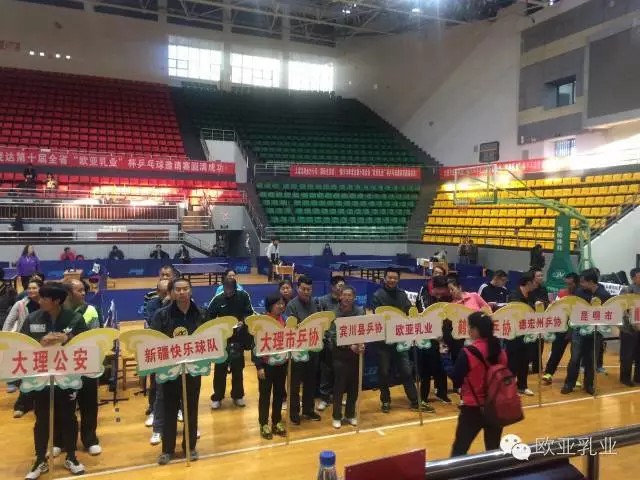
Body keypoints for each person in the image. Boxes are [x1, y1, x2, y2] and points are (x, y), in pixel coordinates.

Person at [21, 283, 88, 479]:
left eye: (44, 298)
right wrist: (39, 343)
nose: (39, 300)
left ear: (56, 301)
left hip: (66, 376)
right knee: (42, 418)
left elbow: (85, 343)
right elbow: (23, 343)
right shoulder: (32, 318)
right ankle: (40, 460)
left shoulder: (74, 318)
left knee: (68, 417)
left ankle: (72, 457)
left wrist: (68, 338)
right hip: (42, 377)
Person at [150, 278, 204, 465]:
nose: (181, 292)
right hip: (170, 371)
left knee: (191, 409)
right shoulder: (161, 315)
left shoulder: (200, 314)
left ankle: (190, 447)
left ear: (191, 291)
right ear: (172, 292)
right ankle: (167, 449)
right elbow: (154, 341)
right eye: (178, 289)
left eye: (185, 289)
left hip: (192, 370)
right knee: (169, 409)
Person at [443, 311, 508, 456]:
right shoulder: (500, 351)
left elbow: (456, 378)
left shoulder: (468, 353)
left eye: (470, 327)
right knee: (493, 450)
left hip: (473, 409)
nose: (468, 330)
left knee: (459, 451)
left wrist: (445, 358)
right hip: (495, 407)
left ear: (476, 330)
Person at [371, 267, 420, 413]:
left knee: (406, 371)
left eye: (395, 278)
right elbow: (378, 318)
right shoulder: (377, 295)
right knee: (384, 373)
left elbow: (408, 312)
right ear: (384, 278)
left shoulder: (402, 294)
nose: (392, 280)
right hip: (384, 342)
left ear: (398, 279)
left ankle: (414, 400)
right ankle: (385, 400)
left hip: (400, 340)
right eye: (390, 277)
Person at [63, 279, 102, 455]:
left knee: (89, 404)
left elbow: (96, 336)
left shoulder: (91, 310)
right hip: (64, 365)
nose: (84, 293)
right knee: (65, 406)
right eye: (79, 290)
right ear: (68, 294)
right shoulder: (58, 313)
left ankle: (90, 439)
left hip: (86, 363)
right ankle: (63, 441)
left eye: (83, 290)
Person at [561, 269, 611, 395]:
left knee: (591, 360)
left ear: (591, 282)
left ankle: (589, 385)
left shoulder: (604, 295)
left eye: (583, 282)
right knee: (575, 358)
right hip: (579, 330)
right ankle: (569, 384)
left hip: (595, 332)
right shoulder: (579, 292)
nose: (581, 284)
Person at [207, 277, 254, 409]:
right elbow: (209, 317)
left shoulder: (243, 296)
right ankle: (217, 397)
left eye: (231, 290)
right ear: (223, 287)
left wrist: (242, 322)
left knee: (238, 368)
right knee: (220, 369)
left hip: (238, 337)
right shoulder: (218, 299)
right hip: (222, 339)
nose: (228, 292)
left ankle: (238, 395)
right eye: (226, 289)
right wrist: (218, 326)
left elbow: (249, 312)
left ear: (235, 288)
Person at [142, 266, 176, 427]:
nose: (165, 277)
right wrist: (164, 305)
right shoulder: (151, 300)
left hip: (175, 346)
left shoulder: (178, 297)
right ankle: (153, 409)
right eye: (162, 274)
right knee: (156, 381)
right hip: (157, 346)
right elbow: (150, 321)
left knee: (177, 379)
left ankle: (178, 409)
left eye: (168, 275)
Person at [285, 275, 321, 424]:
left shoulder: (316, 303)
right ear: (297, 288)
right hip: (297, 352)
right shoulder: (291, 306)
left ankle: (308, 409)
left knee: (310, 382)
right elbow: (291, 328)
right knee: (294, 384)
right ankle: (293, 412)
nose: (306, 292)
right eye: (303, 289)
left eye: (309, 289)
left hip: (313, 349)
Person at [3, 279, 42, 416]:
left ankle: (40, 403)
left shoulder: (46, 303)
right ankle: (22, 404)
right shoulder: (20, 304)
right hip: (24, 343)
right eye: (29, 288)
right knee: (27, 374)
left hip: (42, 344)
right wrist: (5, 340)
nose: (31, 290)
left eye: (34, 288)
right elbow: (9, 322)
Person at [253, 293, 288, 439]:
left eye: (282, 303)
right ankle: (263, 423)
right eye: (277, 303)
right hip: (266, 366)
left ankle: (276, 421)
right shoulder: (262, 322)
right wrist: (259, 367)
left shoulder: (285, 321)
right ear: (270, 305)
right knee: (265, 396)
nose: (281, 306)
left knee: (279, 394)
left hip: (281, 364)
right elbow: (255, 346)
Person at [329, 285, 364, 429]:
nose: (347, 298)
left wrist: (362, 345)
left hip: (356, 356)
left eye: (350, 295)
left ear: (354, 297)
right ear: (340, 296)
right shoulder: (334, 313)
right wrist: (350, 346)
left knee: (353, 387)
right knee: (339, 387)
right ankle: (336, 416)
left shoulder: (360, 312)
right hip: (340, 356)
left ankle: (350, 414)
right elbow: (333, 336)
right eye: (344, 295)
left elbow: (364, 331)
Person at [415, 275, 451, 409]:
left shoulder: (446, 294)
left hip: (442, 336)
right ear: (433, 287)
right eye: (438, 291)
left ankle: (442, 392)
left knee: (441, 365)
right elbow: (424, 313)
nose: (441, 294)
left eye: (443, 290)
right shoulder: (424, 291)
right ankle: (423, 397)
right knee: (426, 368)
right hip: (427, 336)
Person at [145, 279, 171, 445]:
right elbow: (152, 324)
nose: (167, 295)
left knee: (181, 389)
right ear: (158, 292)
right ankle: (155, 419)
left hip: (176, 353)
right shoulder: (153, 305)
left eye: (169, 291)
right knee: (158, 388)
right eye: (164, 292)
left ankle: (181, 413)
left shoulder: (180, 305)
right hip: (159, 352)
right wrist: (165, 306)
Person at [542, 273, 579, 385]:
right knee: (556, 351)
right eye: (567, 284)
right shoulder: (562, 293)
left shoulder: (581, 294)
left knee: (576, 354)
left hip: (577, 327)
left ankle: (574, 378)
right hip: (562, 326)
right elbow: (555, 308)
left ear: (576, 283)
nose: (568, 286)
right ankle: (549, 373)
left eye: (570, 284)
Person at [316, 275, 345, 411]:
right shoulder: (322, 301)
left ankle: (338, 396)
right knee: (326, 371)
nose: (342, 289)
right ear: (332, 287)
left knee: (339, 372)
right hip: (327, 342)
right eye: (340, 286)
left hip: (342, 342)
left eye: (344, 286)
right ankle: (324, 398)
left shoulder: (345, 301)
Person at [507, 272, 537, 396]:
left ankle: (522, 386)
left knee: (525, 359)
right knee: (513, 361)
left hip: (527, 331)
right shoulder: (514, 295)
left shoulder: (531, 295)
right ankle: (510, 388)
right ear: (528, 283)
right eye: (534, 282)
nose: (535, 285)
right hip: (515, 333)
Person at [620, 268, 640, 386]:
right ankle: (625, 378)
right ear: (633, 278)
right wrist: (633, 322)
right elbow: (623, 308)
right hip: (629, 328)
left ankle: (638, 377)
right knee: (627, 354)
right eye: (639, 276)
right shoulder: (627, 290)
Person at [528, 268, 550, 374]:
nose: (541, 277)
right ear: (533, 278)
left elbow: (546, 301)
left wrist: (545, 304)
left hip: (540, 319)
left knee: (539, 343)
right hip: (529, 319)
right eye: (539, 276)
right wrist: (535, 305)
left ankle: (537, 367)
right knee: (530, 343)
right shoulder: (528, 289)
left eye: (542, 275)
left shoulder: (543, 289)